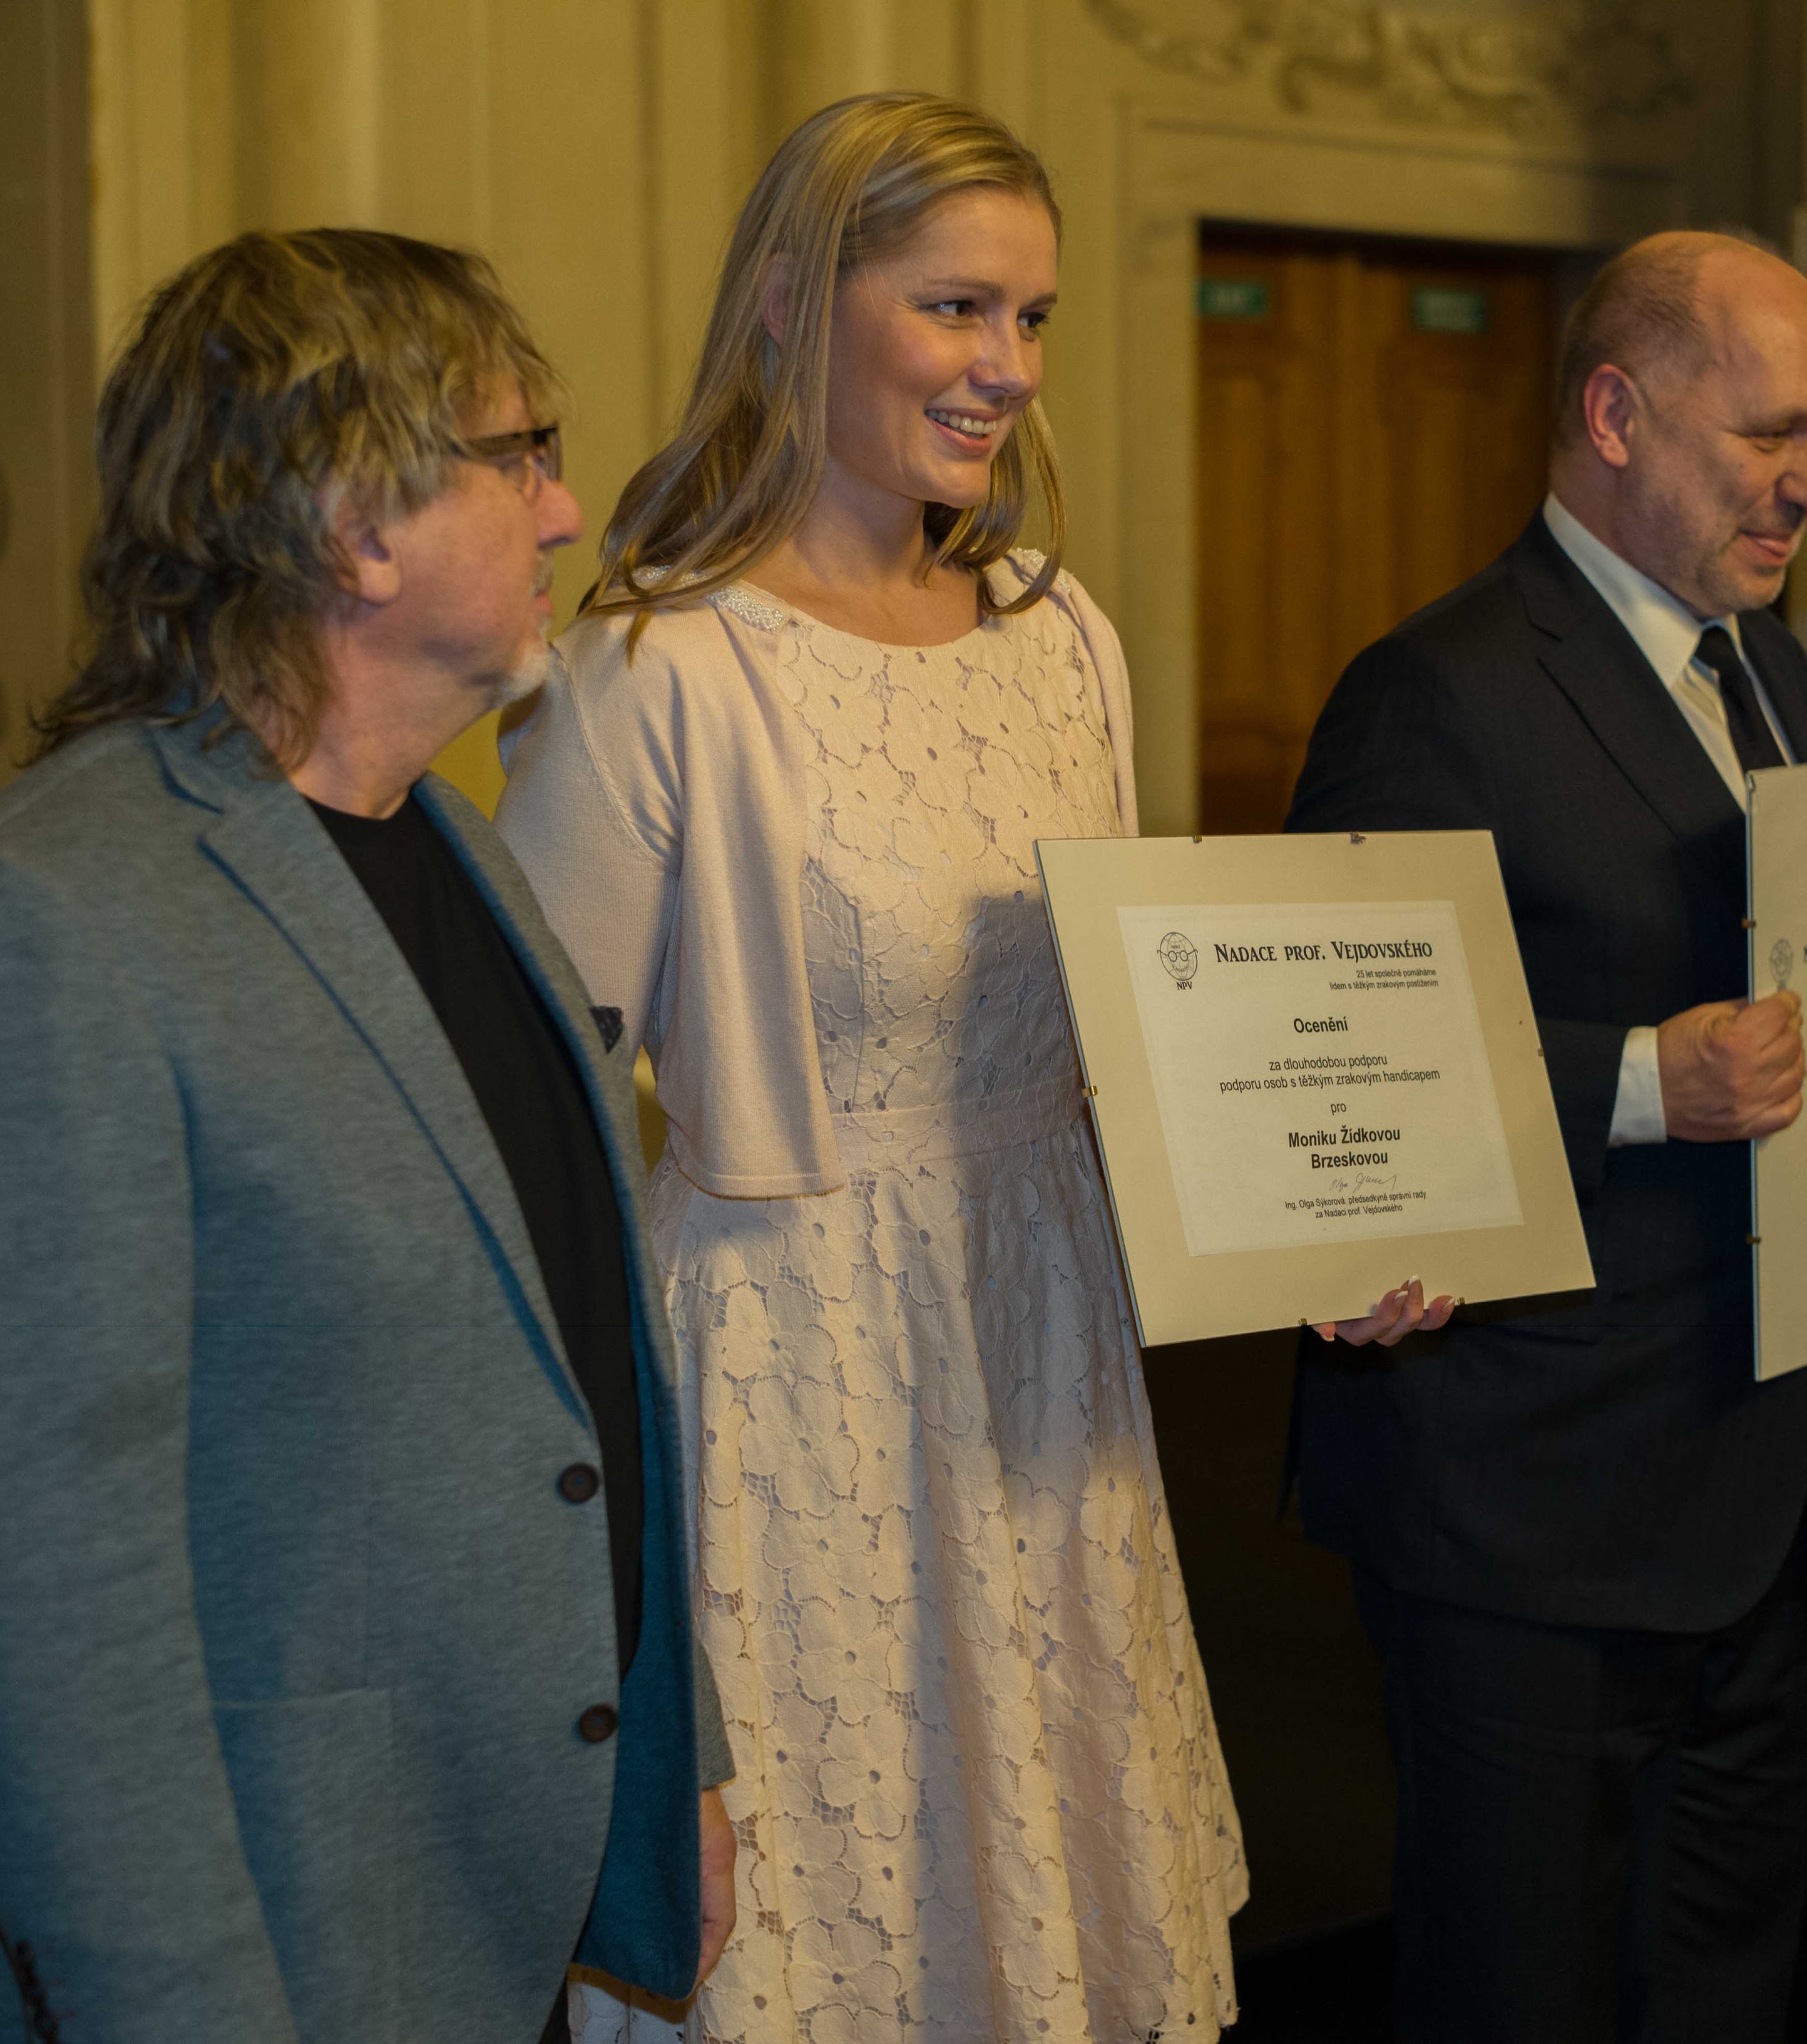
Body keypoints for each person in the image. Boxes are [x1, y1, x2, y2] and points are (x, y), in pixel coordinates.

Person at [498, 94, 1395, 2044]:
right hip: (792, 1375)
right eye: (957, 307)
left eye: (1033, 317)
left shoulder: (1064, 637)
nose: (1008, 367)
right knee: (835, 1939)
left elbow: (1134, 1045)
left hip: (1044, 1347)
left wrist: (1322, 1225)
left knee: (1039, 1930)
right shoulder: (658, 670)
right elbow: (526, 1137)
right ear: (790, 309)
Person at [0, 229, 734, 2044]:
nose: (568, 510)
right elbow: (31, 1607)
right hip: (240, 1938)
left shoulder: (458, 850)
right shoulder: (42, 924)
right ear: (354, 521)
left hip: (466, 1899)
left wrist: (671, 1764)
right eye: (522, 452)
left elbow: (578, 1370)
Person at [1281, 230, 1807, 2040]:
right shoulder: (1435, 689)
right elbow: (1331, 1075)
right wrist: (1636, 1080)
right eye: (1770, 435)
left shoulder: (1767, 673)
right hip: (1523, 1499)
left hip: (1757, 1482)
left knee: (1721, 1990)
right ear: (1615, 416)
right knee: (1511, 1997)